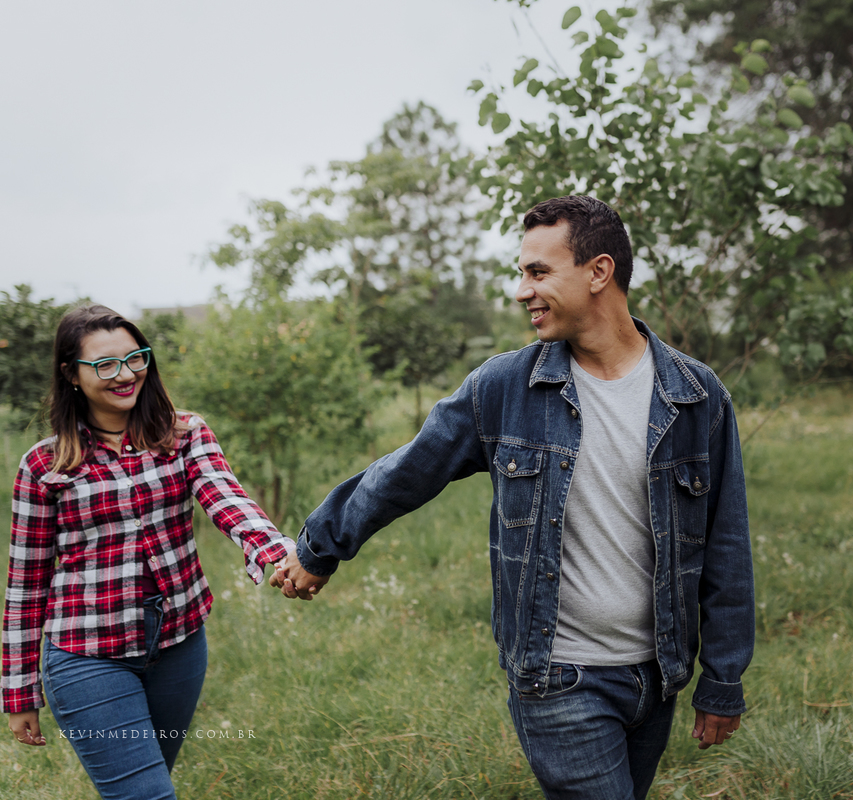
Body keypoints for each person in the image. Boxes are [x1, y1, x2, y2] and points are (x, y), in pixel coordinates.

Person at [271, 195, 754, 799]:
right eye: (522, 273)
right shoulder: (503, 388)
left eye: (538, 272)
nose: (521, 290)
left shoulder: (695, 395)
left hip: (658, 677)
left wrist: (723, 679)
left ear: (599, 272)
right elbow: (405, 473)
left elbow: (725, 542)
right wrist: (321, 546)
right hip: (558, 677)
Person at [3, 304, 293, 800]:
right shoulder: (45, 465)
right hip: (87, 655)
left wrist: (275, 551)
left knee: (149, 781)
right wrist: (19, 691)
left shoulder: (183, 434)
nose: (126, 374)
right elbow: (26, 583)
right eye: (105, 364)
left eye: (135, 358)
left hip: (179, 645)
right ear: (71, 374)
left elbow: (224, 496)